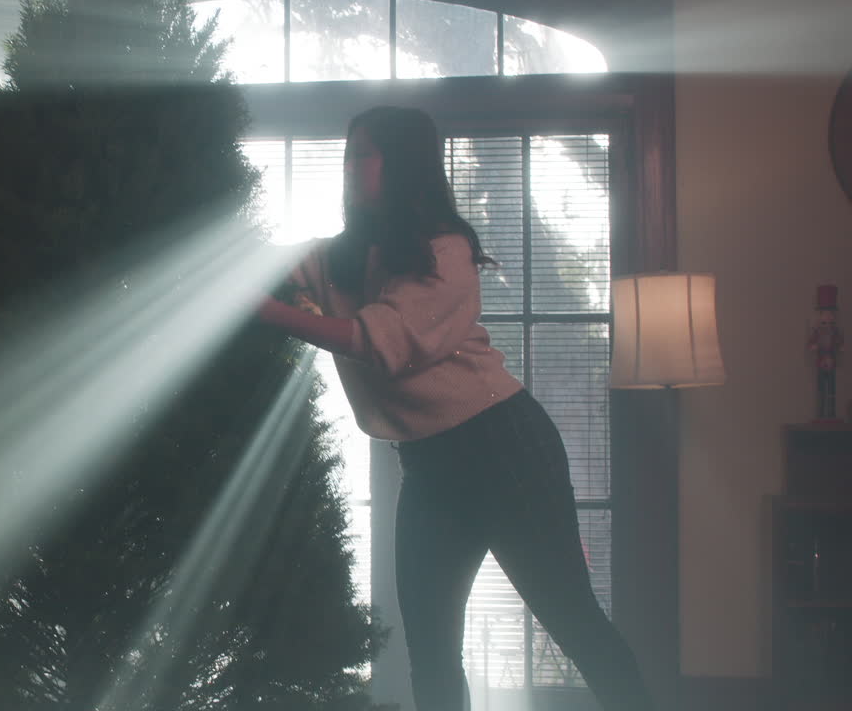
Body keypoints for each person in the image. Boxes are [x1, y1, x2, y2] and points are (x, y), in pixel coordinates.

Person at [255, 106, 652, 711]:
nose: (349, 165)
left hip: (503, 447)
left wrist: (271, 312)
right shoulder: (340, 256)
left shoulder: (446, 251)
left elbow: (379, 342)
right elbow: (266, 265)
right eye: (347, 153)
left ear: (404, 164)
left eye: (364, 154)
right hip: (428, 465)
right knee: (431, 644)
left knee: (571, 619)